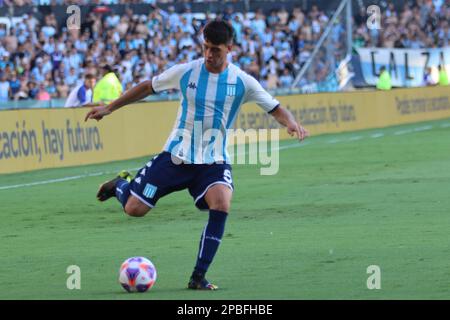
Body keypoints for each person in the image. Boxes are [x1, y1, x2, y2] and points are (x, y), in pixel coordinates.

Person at [84, 20, 309, 290]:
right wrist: (110, 108)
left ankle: (198, 277)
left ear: (230, 48)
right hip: (176, 156)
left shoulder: (242, 82)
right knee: (134, 209)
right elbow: (147, 87)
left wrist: (291, 123)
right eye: (205, 48)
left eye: (215, 50)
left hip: (212, 161)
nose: (209, 55)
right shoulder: (186, 72)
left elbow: (274, 107)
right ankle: (120, 185)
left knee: (222, 203)